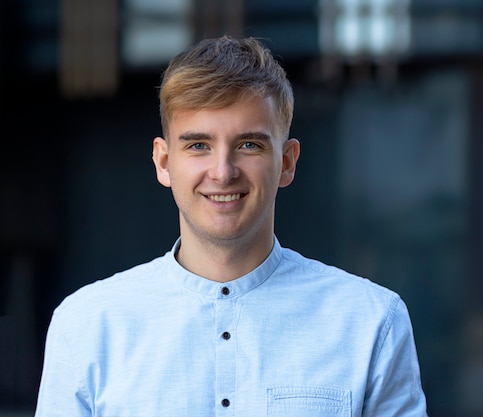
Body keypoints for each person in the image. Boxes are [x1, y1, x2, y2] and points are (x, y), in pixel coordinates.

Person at [35, 35, 428, 416]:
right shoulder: (86, 325)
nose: (222, 173)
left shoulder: (371, 321)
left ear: (287, 162)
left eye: (249, 145)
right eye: (198, 145)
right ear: (164, 162)